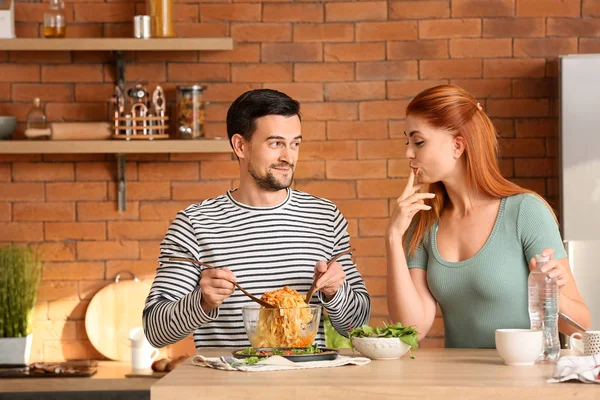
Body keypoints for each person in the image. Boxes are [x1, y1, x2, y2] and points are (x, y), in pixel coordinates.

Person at [143, 89, 371, 349]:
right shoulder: (194, 224)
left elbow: (357, 325)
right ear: (240, 145)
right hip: (227, 386)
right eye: (275, 144)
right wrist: (202, 302)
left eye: (295, 143)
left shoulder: (325, 217)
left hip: (304, 383)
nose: (288, 157)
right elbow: (155, 332)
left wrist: (335, 293)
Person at [386, 84, 590, 348]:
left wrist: (553, 295)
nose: (408, 153)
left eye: (419, 142)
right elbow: (413, 328)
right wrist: (393, 236)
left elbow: (581, 326)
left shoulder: (526, 211)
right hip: (459, 385)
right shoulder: (424, 221)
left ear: (457, 145)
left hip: (528, 382)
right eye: (408, 142)